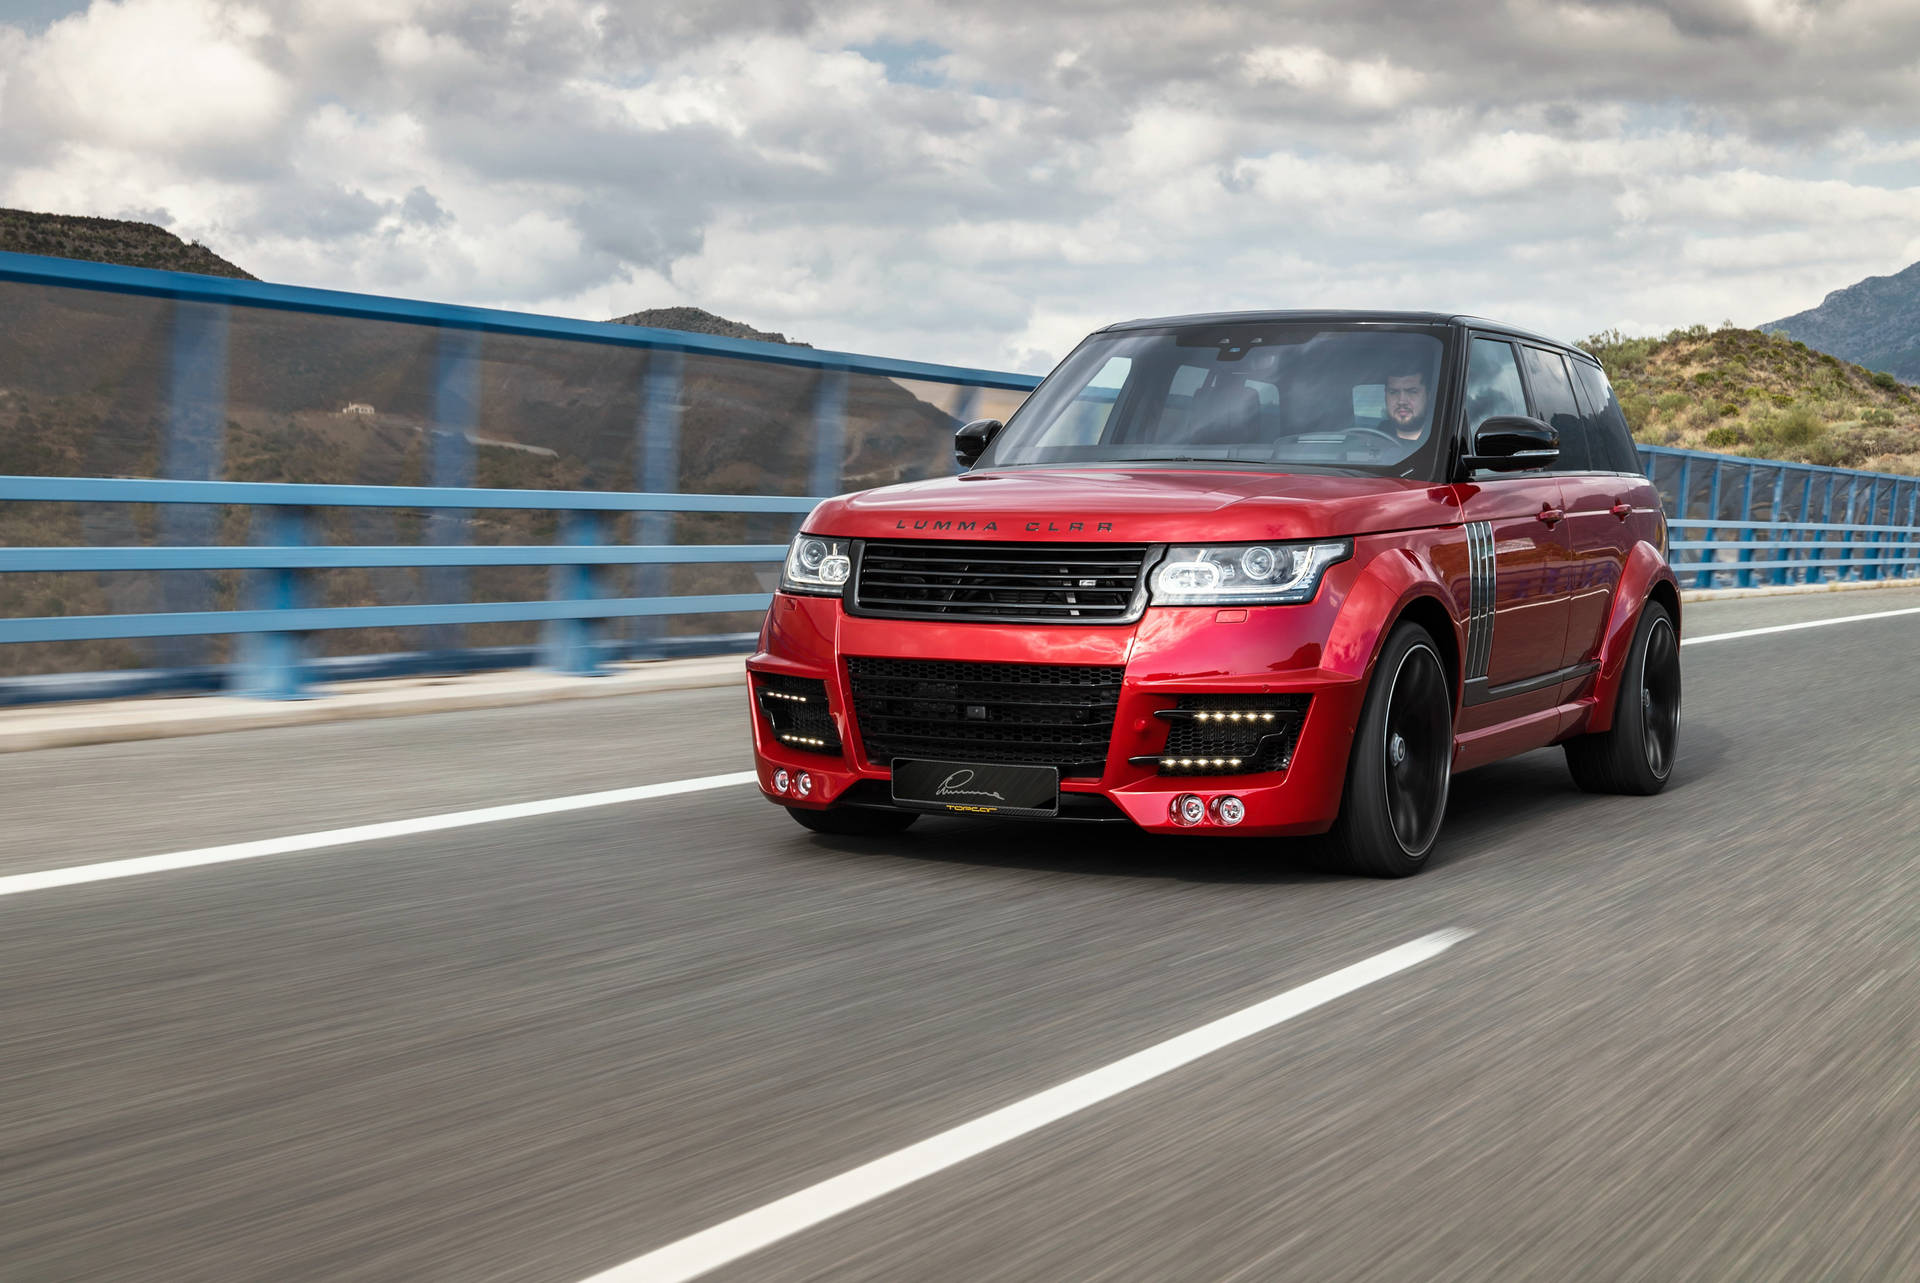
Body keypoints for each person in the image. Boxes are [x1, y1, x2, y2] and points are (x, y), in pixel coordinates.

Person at [1381, 365, 1431, 444]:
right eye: (1393, 392)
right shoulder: (1375, 437)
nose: (1401, 401)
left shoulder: (1441, 437)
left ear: (1428, 395)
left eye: (1412, 391)